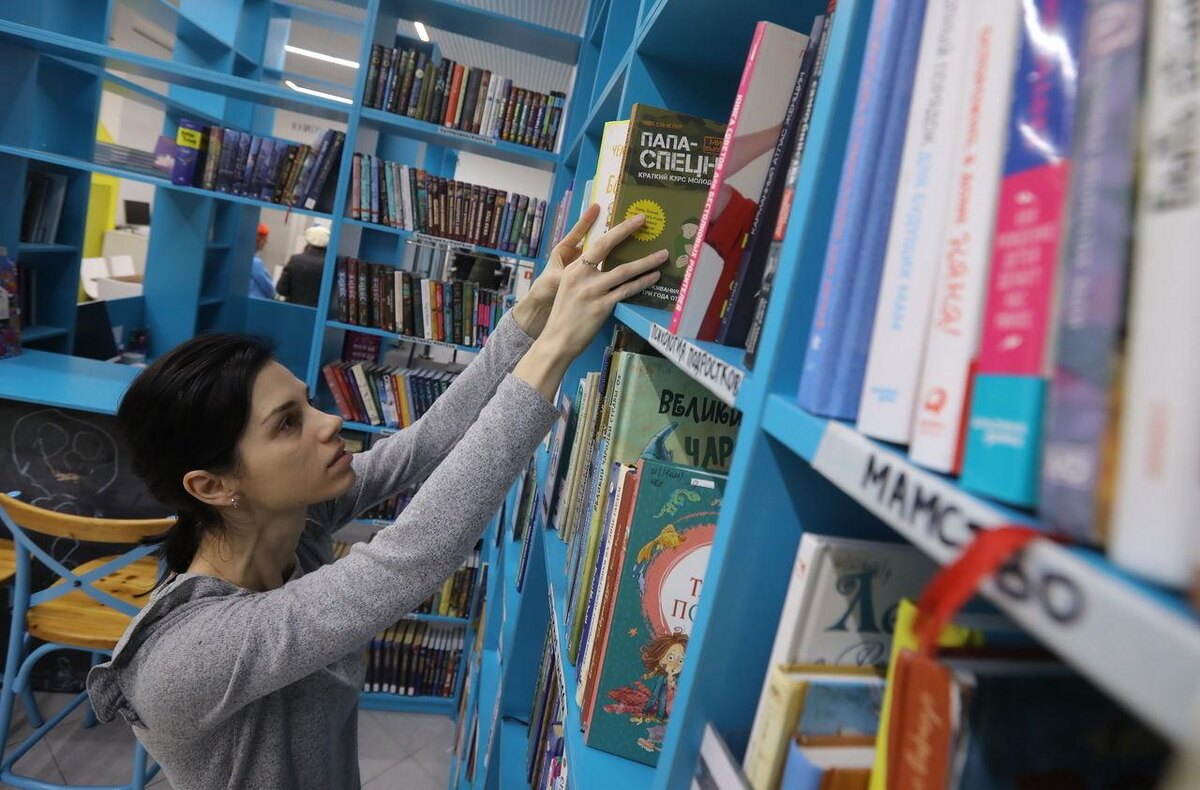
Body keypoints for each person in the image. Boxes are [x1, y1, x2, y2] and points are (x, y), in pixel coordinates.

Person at [86, 205, 664, 789]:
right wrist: (555, 349)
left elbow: (424, 444)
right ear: (212, 486)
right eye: (287, 424)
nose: (330, 422)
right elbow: (412, 557)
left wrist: (534, 314)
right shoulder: (191, 654)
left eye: (307, 403)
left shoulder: (296, 525)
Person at [276, 224, 329, 307]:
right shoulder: (329, 266)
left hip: (292, 309)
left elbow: (281, 289)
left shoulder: (295, 260)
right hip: (318, 312)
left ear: (308, 242)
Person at [249, 223, 277, 301]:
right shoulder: (255, 262)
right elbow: (269, 289)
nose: (266, 243)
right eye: (264, 239)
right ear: (258, 240)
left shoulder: (245, 259)